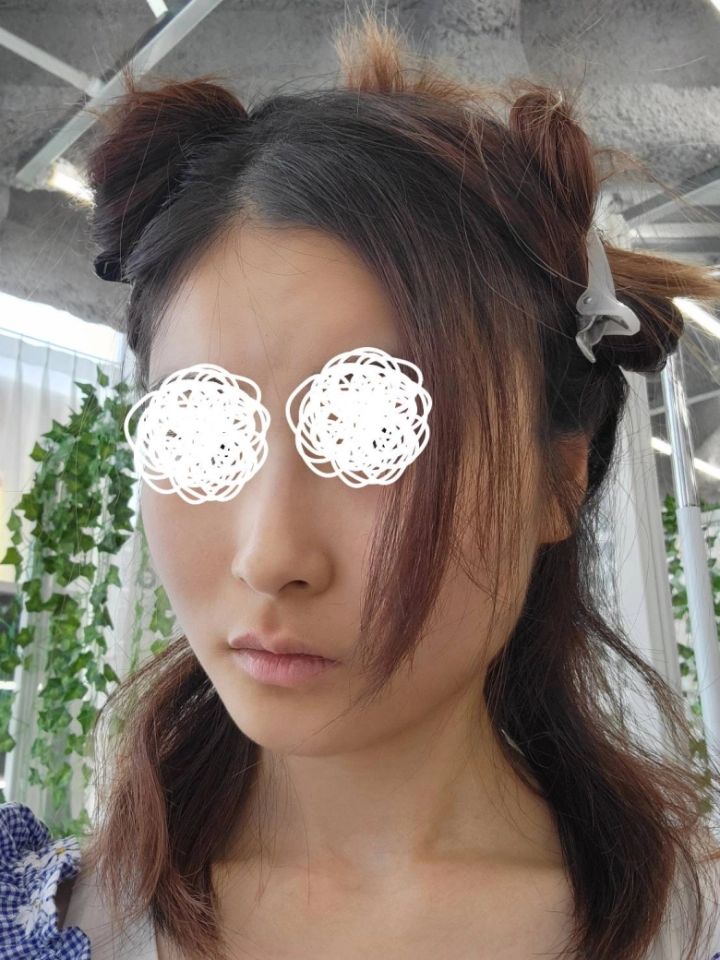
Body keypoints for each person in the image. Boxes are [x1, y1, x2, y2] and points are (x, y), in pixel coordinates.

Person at [2, 7, 720, 960]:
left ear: (560, 475)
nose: (270, 556)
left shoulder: (690, 926)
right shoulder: (43, 915)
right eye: (202, 429)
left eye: (376, 432)